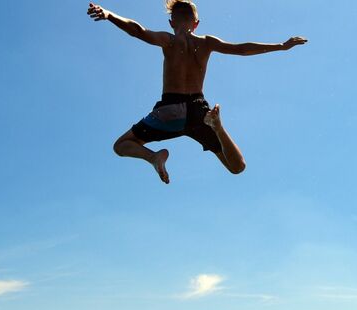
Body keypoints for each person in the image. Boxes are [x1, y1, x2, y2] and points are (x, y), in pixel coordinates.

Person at [88, 1, 307, 184]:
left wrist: (109, 15)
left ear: (171, 22)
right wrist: (281, 45)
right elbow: (241, 49)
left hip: (168, 110)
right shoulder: (207, 42)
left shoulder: (168, 40)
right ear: (197, 23)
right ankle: (217, 128)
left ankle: (154, 157)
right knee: (237, 166)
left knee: (121, 145)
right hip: (199, 111)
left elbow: (137, 30)